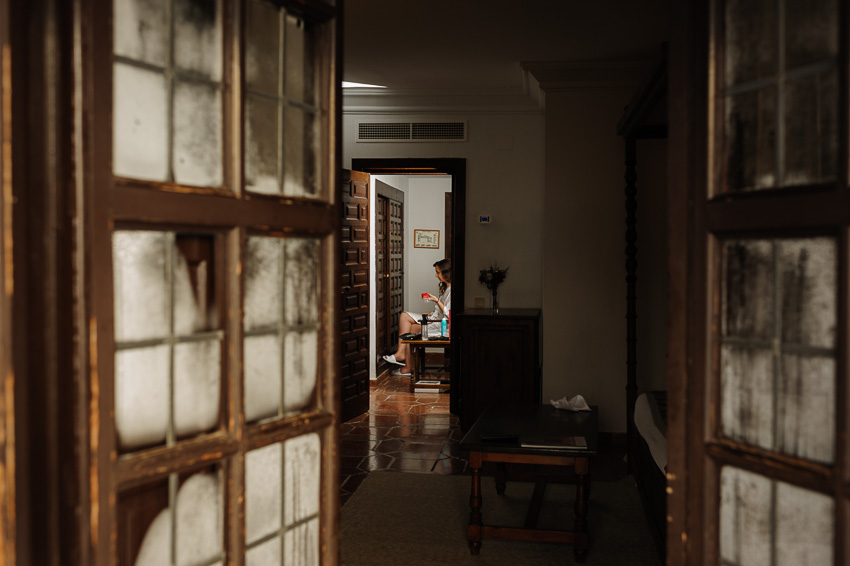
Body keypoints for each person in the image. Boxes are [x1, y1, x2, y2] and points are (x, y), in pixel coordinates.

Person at [382, 258, 451, 376]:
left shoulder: (451, 290)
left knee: (411, 327)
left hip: (442, 325)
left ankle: (405, 360)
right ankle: (403, 357)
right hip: (435, 319)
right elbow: (438, 311)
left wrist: (436, 300)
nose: (436, 275)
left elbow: (449, 314)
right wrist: (426, 314)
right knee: (405, 317)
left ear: (446, 273)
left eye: (438, 272)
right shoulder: (446, 288)